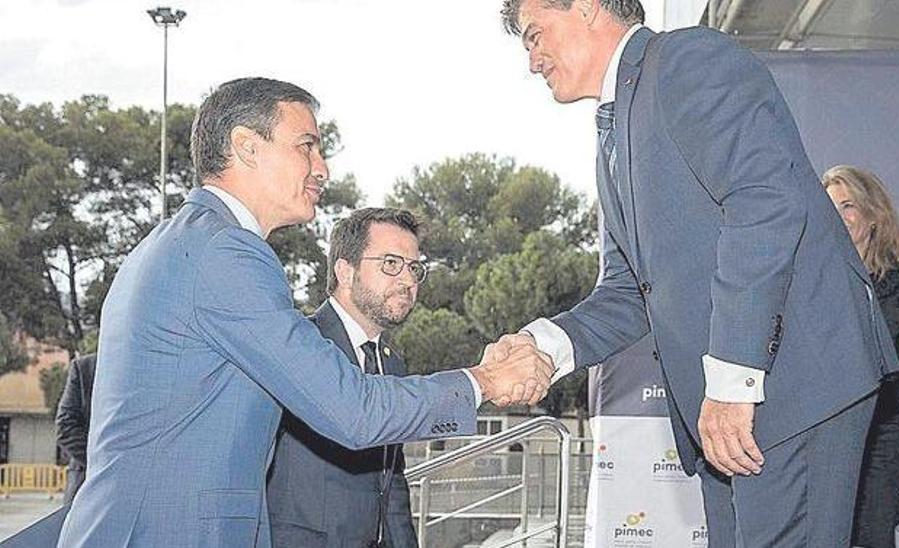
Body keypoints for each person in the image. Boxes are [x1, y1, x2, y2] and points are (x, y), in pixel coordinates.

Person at [57, 77, 552, 547]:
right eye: (306, 146)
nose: (322, 168)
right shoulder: (225, 252)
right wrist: (483, 381)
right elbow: (352, 409)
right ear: (247, 146)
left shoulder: (179, 241)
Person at [492, 2, 899, 546]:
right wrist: (544, 345)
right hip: (738, 408)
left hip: (790, 384)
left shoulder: (687, 60)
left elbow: (765, 203)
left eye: (534, 34)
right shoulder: (613, 136)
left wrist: (735, 378)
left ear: (588, 7)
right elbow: (628, 292)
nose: (532, 59)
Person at [267, 208, 432, 547]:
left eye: (414, 267)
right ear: (345, 270)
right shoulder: (297, 345)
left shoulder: (393, 364)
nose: (407, 280)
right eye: (391, 263)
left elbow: (391, 483)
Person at [821, 166, 899, 548]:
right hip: (828, 431)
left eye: (848, 204)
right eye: (830, 206)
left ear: (872, 215)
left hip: (887, 432)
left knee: (875, 536)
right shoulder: (812, 281)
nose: (839, 215)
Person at [55, 354, 97, 504]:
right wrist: (103, 461)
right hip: (86, 482)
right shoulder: (84, 368)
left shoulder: (153, 368)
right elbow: (65, 427)